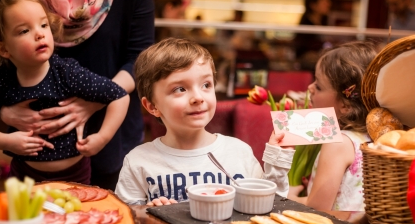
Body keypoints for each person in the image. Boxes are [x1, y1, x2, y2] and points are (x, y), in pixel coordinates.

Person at [0, 0, 155, 190]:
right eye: (25, 30)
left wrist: (96, 101)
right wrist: (4, 112)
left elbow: (139, 59)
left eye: (44, 25)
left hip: (109, 139)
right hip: (29, 155)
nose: (39, 35)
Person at [115, 38, 295, 206]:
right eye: (180, 89)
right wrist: (149, 213)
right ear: (152, 106)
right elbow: (127, 222)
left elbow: (268, 206)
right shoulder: (138, 161)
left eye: (206, 85)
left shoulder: (239, 153)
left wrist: (277, 163)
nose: (198, 97)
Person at [287, 41, 378, 212]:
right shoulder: (373, 137)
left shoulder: (338, 143)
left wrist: (289, 196)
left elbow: (317, 208)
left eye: (319, 86)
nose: (310, 87)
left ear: (346, 105)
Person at [294, 0, 332, 71]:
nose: (328, 3)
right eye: (323, 0)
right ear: (313, 5)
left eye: (328, 0)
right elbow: (304, 52)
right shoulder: (306, 27)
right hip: (309, 68)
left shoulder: (324, 23)